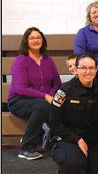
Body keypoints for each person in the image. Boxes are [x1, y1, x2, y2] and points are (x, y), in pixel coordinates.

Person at [49, 53, 98, 174]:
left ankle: (89, 165)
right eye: (83, 68)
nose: (87, 72)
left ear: (96, 70)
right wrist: (77, 140)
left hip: (93, 141)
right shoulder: (64, 91)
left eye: (91, 68)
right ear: (76, 69)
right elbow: (54, 123)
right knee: (75, 162)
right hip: (68, 138)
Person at [8, 27, 62, 160]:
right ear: (26, 41)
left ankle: (55, 139)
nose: (36, 40)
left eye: (38, 37)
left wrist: (50, 95)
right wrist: (46, 96)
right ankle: (26, 148)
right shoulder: (20, 61)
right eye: (32, 38)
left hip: (42, 101)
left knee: (60, 104)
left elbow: (57, 83)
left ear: (43, 40)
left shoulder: (48, 60)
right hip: (18, 100)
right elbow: (21, 89)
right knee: (42, 106)